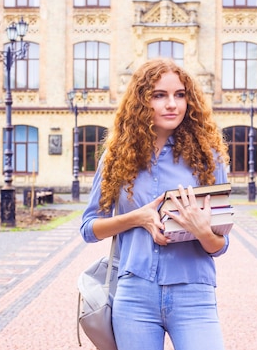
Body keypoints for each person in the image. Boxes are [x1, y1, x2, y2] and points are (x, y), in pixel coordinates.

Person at [80, 58, 230, 350]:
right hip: (134, 294)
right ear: (141, 101)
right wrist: (139, 218)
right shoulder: (115, 157)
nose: (172, 104)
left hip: (193, 292)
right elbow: (89, 229)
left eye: (180, 95)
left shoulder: (208, 157)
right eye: (159, 95)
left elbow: (220, 245)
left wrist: (202, 231)